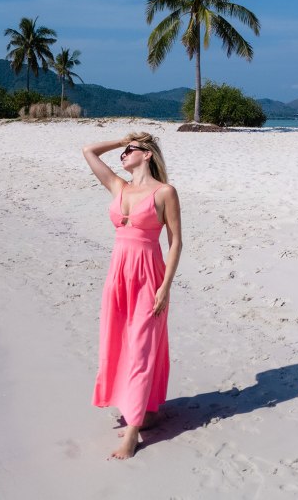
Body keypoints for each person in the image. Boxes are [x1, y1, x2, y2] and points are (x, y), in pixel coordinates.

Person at [82, 132, 182, 460]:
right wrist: (123, 139)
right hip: (118, 276)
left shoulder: (165, 192)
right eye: (124, 151)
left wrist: (165, 287)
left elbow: (176, 241)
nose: (123, 154)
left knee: (140, 348)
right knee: (118, 343)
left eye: (130, 150)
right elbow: (88, 151)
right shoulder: (118, 187)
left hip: (147, 278)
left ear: (148, 155)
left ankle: (133, 432)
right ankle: (146, 410)